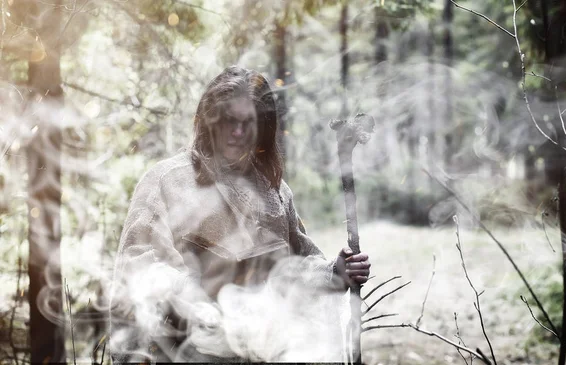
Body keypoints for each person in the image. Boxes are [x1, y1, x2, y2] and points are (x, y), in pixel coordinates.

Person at [109, 66, 371, 363]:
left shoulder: (275, 191)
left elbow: (294, 267)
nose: (238, 132)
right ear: (210, 120)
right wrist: (189, 296)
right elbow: (137, 264)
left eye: (249, 122)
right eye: (229, 121)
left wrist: (333, 271)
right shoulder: (166, 180)